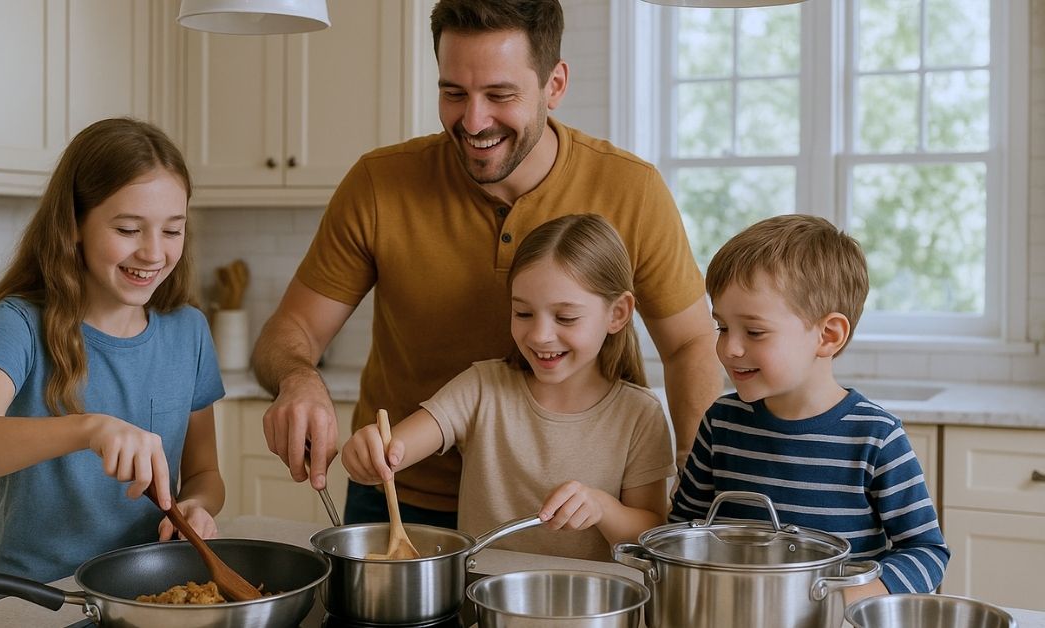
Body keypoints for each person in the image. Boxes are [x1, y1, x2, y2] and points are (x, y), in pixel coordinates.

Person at [252, 0, 721, 527]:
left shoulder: (632, 189)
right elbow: (289, 332)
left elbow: (688, 345)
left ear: (555, 84)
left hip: (570, 515)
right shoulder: (380, 184)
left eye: (500, 95)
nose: (473, 121)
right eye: (453, 93)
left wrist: (696, 485)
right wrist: (298, 380)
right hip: (397, 498)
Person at [0, 117, 226, 607]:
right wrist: (88, 429)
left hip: (145, 600)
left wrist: (197, 508)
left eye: (173, 230)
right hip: (32, 601)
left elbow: (204, 474)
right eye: (129, 229)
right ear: (73, 224)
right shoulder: (22, 323)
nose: (154, 252)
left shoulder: (189, 330)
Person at [342, 215, 674, 560]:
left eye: (565, 317)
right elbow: (394, 450)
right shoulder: (482, 388)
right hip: (482, 600)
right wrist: (370, 457)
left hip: (590, 607)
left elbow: (650, 532)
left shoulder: (639, 414)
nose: (540, 335)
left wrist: (603, 507)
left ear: (618, 313)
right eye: (523, 313)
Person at [669, 214, 949, 601]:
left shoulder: (875, 437)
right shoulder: (721, 423)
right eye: (722, 327)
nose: (730, 348)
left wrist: (850, 599)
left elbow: (928, 552)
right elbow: (683, 531)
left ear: (827, 335)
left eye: (754, 331)